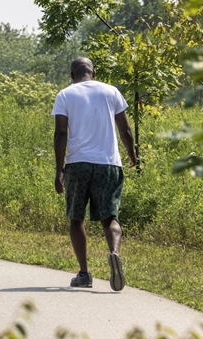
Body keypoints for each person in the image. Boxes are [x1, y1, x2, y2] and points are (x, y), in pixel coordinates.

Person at [52, 57, 139, 291]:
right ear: (94, 71)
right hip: (109, 164)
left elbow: (61, 134)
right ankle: (114, 253)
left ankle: (84, 274)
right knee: (110, 217)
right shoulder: (111, 92)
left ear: (72, 75)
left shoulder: (65, 95)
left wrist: (59, 169)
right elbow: (125, 129)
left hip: (78, 164)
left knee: (76, 217)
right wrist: (132, 156)